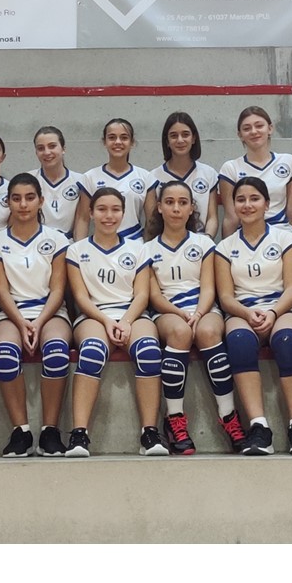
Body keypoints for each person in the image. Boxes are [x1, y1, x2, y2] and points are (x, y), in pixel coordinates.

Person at [213, 176, 292, 455]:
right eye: (241, 199)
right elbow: (225, 297)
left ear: (267, 204)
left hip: (281, 307)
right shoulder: (224, 247)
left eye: (254, 199)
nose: (247, 205)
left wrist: (273, 312)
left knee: (287, 340)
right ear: (233, 205)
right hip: (242, 309)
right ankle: (259, 427)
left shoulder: (286, 239)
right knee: (239, 342)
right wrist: (247, 313)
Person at [63, 187, 166, 457]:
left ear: (123, 213)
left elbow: (142, 294)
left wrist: (127, 321)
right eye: (102, 209)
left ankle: (149, 433)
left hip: (132, 313)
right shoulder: (76, 250)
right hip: (94, 315)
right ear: (91, 213)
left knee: (149, 352)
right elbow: (80, 297)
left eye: (115, 210)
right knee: (92, 352)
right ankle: (79, 434)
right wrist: (108, 321)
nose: (109, 216)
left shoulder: (138, 248)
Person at [0, 173, 74, 457]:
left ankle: (50, 431)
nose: (23, 204)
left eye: (30, 198)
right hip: (11, 314)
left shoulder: (57, 239)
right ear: (8, 202)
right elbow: (1, 290)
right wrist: (22, 323)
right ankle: (20, 431)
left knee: (57, 352)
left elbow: (58, 289)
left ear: (41, 201)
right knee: (5, 355)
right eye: (16, 198)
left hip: (50, 311)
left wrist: (39, 321)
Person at [143, 178, 233, 454]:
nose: (176, 208)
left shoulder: (204, 243)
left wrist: (199, 312)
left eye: (183, 203)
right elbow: (154, 296)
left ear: (192, 207)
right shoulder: (146, 249)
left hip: (203, 307)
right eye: (169, 202)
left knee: (208, 331)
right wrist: (180, 313)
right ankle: (174, 419)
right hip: (167, 311)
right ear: (159, 207)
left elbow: (209, 288)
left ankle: (229, 415)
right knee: (180, 332)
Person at [218, 105, 292, 235]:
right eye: (247, 128)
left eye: (259, 126)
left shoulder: (288, 162)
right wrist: (226, 246)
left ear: (270, 128)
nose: (254, 131)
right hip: (246, 233)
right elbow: (231, 217)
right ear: (240, 135)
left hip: (281, 231)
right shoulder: (230, 168)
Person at [74, 117, 151, 242]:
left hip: (134, 243)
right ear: (104, 142)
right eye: (112, 137)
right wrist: (79, 248)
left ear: (132, 142)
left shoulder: (145, 177)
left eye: (124, 137)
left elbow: (151, 220)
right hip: (99, 245)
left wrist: (148, 248)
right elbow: (83, 219)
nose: (118, 142)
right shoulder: (90, 177)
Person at [142, 111, 220, 228]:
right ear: (167, 141)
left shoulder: (209, 174)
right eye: (174, 136)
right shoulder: (153, 177)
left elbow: (212, 218)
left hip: (200, 238)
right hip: (166, 238)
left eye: (185, 134)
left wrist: (207, 237)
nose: (180, 140)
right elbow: (151, 222)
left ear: (193, 138)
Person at [29, 125, 84, 236]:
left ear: (63, 149)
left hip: (68, 243)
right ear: (36, 152)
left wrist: (78, 246)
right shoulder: (28, 180)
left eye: (52, 146)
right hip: (35, 241)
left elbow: (82, 219)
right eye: (40, 148)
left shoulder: (81, 181)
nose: (47, 152)